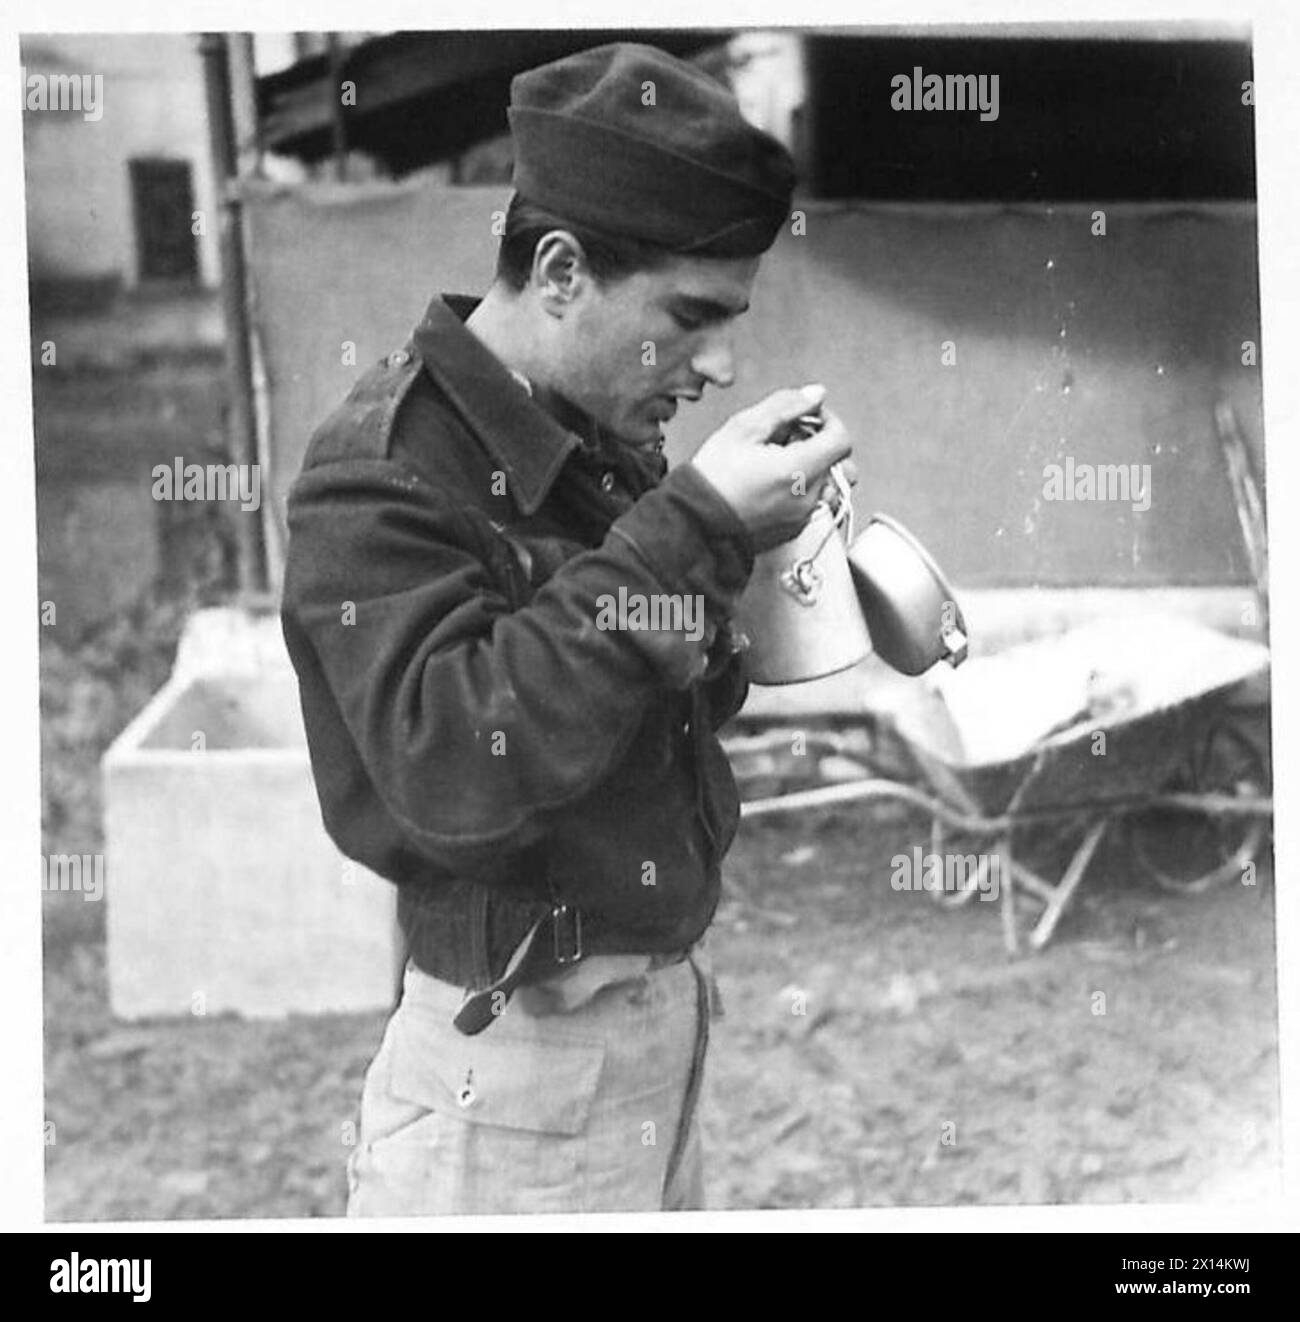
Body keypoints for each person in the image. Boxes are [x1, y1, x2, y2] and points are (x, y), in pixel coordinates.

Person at [280, 41, 853, 1216]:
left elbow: (633, 707)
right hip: (513, 1074)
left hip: (647, 1033)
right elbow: (454, 765)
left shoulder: (595, 438)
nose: (719, 362)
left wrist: (754, 551)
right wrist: (688, 526)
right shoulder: (381, 469)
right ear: (557, 269)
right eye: (690, 319)